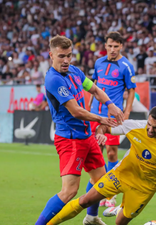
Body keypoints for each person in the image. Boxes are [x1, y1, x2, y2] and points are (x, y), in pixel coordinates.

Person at [46, 106, 156, 225]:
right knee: (85, 200)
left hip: (145, 188)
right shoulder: (136, 126)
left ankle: (120, 209)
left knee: (119, 223)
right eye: (149, 125)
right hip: (121, 175)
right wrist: (100, 133)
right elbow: (104, 127)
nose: (150, 130)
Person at [35, 35, 124, 225]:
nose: (66, 60)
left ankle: (91, 218)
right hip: (70, 140)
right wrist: (102, 118)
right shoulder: (53, 79)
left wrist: (110, 104)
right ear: (51, 55)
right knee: (69, 192)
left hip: (86, 136)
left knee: (101, 180)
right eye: (61, 56)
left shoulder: (75, 71)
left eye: (69, 56)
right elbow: (76, 111)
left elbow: (95, 90)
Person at [89, 32, 136, 208]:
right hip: (95, 114)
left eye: (116, 46)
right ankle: (98, 192)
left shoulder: (126, 66)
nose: (113, 49)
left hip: (112, 116)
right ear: (105, 46)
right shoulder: (99, 62)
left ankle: (111, 194)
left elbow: (131, 90)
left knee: (111, 153)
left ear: (121, 47)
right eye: (110, 46)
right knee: (96, 154)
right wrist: (88, 107)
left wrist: (127, 112)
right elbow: (93, 86)